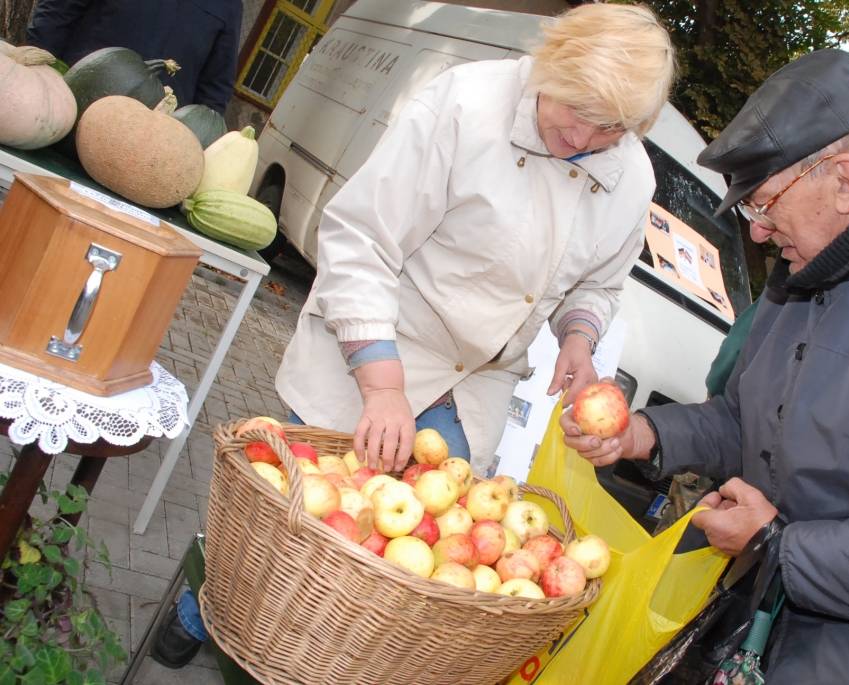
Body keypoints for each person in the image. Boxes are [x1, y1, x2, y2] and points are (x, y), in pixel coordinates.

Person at [563, 48, 849, 682]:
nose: (756, 233)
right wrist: (643, 434)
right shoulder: (807, 269)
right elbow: (747, 420)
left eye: (763, 204)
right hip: (769, 630)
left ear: (845, 182)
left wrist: (780, 546)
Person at [275, 4, 676, 475]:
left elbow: (599, 285)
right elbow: (362, 238)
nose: (582, 136)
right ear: (552, 65)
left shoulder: (633, 180)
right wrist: (382, 386)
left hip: (471, 402)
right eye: (577, 107)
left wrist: (578, 337)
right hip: (374, 356)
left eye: (609, 126)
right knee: (305, 505)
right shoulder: (465, 102)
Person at [26, 0, 241, 112]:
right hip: (70, 106)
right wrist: (38, 81)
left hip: (150, 141)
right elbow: (55, 16)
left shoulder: (229, 6)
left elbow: (215, 90)